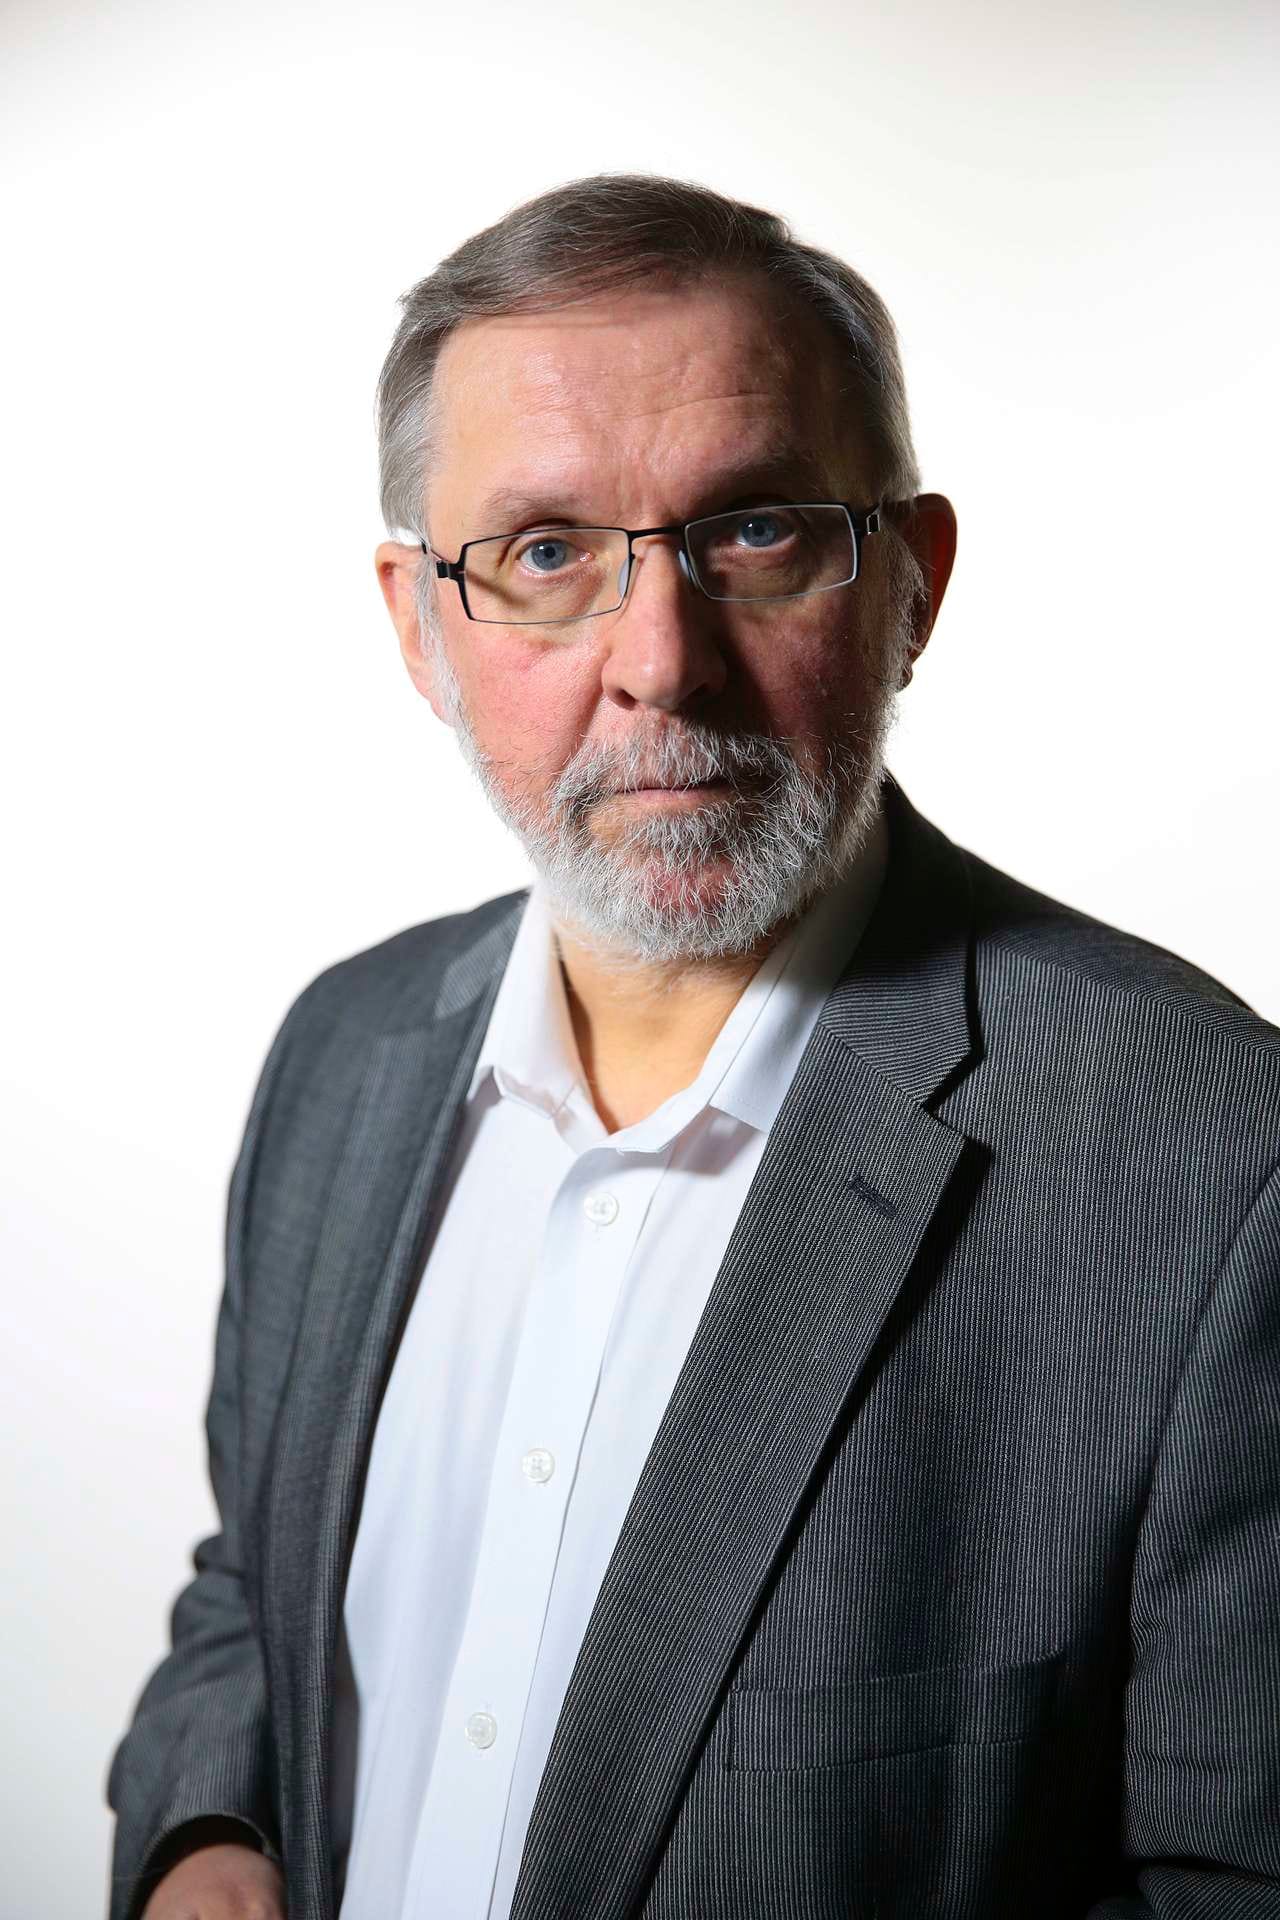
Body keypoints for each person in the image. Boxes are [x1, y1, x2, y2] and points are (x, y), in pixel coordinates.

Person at [106, 174, 1280, 1920]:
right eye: (546, 553)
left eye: (756, 532)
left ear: (913, 584)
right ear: (420, 628)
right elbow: (250, 1596)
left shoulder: (1216, 1165)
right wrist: (207, 1836)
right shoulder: (341, 1059)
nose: (662, 662)